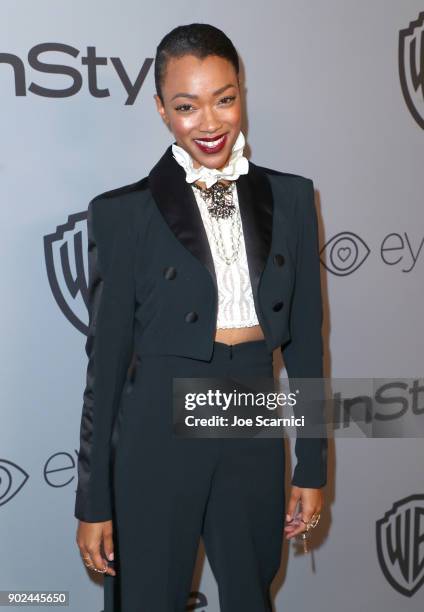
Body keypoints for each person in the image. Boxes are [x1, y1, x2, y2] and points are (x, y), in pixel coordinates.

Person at [74, 22, 327, 612]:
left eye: (225, 99)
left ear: (242, 94)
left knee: (249, 595)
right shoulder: (122, 214)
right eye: (187, 106)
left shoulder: (291, 199)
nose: (210, 123)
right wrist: (94, 502)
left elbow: (308, 350)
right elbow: (104, 371)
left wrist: (311, 464)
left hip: (250, 409)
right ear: (162, 110)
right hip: (155, 423)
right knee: (148, 599)